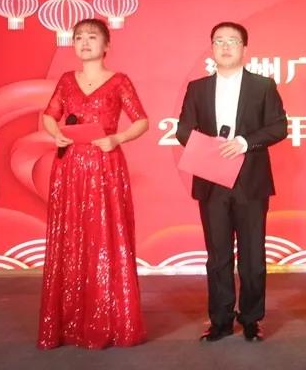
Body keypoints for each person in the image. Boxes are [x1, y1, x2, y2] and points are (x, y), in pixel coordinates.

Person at [39, 18, 149, 349]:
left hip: (105, 166)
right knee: (71, 236)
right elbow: (49, 115)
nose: (84, 42)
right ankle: (69, 322)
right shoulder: (66, 80)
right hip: (70, 167)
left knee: (106, 236)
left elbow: (142, 121)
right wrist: (56, 134)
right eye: (78, 37)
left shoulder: (119, 81)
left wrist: (117, 138)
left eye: (92, 37)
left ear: (106, 45)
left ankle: (111, 319)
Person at [176, 21, 287, 342]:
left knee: (253, 255)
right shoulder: (197, 88)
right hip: (211, 180)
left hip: (250, 180)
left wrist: (244, 142)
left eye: (232, 41)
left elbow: (278, 127)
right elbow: (183, 129)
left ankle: (251, 319)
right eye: (219, 41)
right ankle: (221, 320)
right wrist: (207, 148)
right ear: (212, 48)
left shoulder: (262, 86)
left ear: (244, 48)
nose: (225, 47)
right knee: (218, 255)